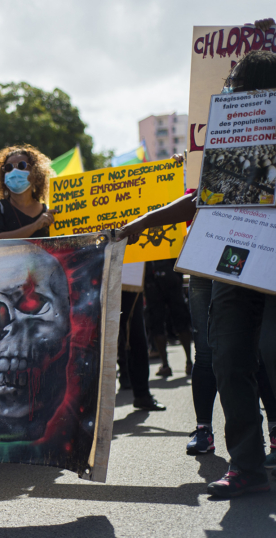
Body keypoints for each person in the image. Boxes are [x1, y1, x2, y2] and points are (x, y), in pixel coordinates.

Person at [118, 49, 276, 498]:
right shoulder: (226, 141)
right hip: (230, 266)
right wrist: (138, 225)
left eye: (236, 86)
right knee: (228, 360)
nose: (229, 95)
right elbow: (198, 199)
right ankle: (247, 466)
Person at [0, 145, 56, 240]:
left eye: (22, 165)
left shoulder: (47, 212)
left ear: (35, 172)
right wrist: (35, 226)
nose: (14, 171)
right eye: (9, 167)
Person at [143, 259, 192, 377]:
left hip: (153, 275)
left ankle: (166, 365)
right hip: (169, 272)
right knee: (178, 319)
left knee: (158, 322)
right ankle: (188, 362)